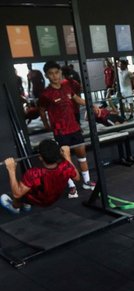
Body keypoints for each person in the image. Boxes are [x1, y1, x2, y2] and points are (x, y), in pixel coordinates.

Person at [38, 61, 96, 199]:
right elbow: (41, 109)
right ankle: (71, 186)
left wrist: (91, 105)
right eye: (51, 74)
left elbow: (77, 99)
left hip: (74, 128)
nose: (55, 76)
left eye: (56, 72)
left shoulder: (67, 87)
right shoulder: (46, 94)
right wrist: (46, 123)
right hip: (61, 131)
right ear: (47, 76)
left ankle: (87, 181)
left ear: (60, 73)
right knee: (65, 160)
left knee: (82, 155)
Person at [1, 139, 79, 214]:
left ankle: (15, 207)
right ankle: (26, 205)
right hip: (54, 197)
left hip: (37, 200)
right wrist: (67, 157)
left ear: (40, 157)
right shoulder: (66, 166)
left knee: (15, 192)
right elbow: (77, 178)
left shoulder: (33, 173)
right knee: (33, 185)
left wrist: (11, 170)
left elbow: (17, 194)